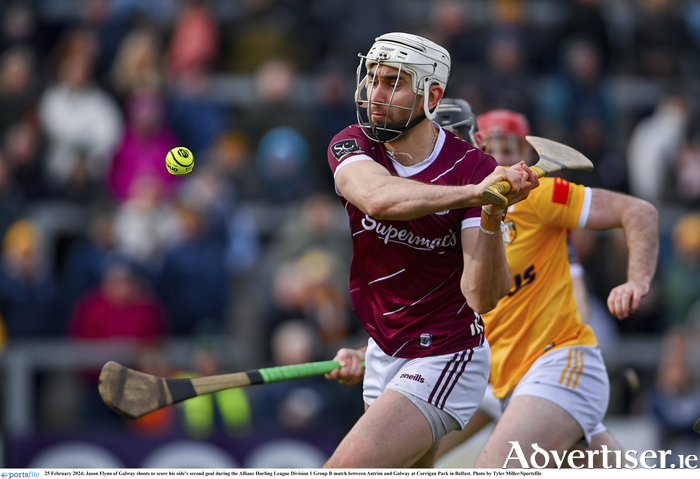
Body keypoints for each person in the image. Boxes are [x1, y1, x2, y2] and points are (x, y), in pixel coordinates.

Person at [322, 32, 539, 468]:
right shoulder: (351, 144)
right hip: (384, 348)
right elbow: (380, 200)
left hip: (445, 353)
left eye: (392, 83)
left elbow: (483, 297)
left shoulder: (473, 168)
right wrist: (473, 194)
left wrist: (492, 212)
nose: (375, 94)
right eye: (371, 78)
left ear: (432, 95)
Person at [438, 104, 659, 468]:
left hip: (558, 365)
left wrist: (636, 280)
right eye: (494, 148)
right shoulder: (453, 221)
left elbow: (639, 212)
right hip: (503, 381)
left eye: (509, 149)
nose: (501, 158)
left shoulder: (541, 197)